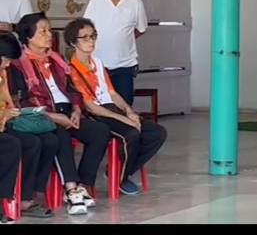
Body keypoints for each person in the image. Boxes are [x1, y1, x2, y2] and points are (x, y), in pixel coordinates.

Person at [9, 13, 111, 215]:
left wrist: (76, 109)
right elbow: (24, 101)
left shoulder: (57, 59)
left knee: (100, 131)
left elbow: (72, 89)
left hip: (67, 111)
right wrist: (53, 116)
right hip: (44, 115)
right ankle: (71, 188)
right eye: (43, 31)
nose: (49, 35)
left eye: (49, 30)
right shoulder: (18, 65)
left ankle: (84, 184)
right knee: (60, 136)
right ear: (28, 37)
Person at [64, 18, 166, 196]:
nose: (91, 41)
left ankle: (119, 170)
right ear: (73, 42)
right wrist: (123, 119)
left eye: (93, 36)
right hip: (97, 113)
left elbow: (112, 93)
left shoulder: (97, 63)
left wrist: (129, 112)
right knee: (131, 134)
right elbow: (91, 107)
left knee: (157, 133)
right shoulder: (71, 69)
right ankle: (121, 179)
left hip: (111, 108)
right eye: (85, 38)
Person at [0, 32, 55, 220]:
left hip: (4, 124)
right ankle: (4, 200)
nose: (8, 65)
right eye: (5, 60)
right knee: (10, 145)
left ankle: (26, 197)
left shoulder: (2, 74)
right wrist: (5, 115)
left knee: (43, 141)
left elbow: (7, 102)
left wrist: (14, 112)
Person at [83, 0, 148, 106]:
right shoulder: (96, 1)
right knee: (100, 103)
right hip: (98, 63)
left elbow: (141, 29)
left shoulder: (135, 3)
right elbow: (85, 28)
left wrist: (124, 39)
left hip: (124, 64)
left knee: (125, 103)